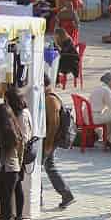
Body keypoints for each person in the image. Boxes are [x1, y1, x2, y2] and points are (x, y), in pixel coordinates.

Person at [42, 74, 75, 210]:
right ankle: (66, 194)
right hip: (50, 139)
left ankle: (65, 194)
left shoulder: (50, 99)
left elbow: (54, 123)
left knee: (44, 166)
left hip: (51, 139)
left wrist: (49, 143)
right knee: (48, 165)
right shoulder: (49, 97)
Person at [4, 89, 32, 220]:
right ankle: (9, 215)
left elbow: (23, 138)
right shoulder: (25, 112)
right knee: (15, 185)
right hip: (17, 154)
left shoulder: (21, 115)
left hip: (18, 155)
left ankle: (18, 217)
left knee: (16, 186)